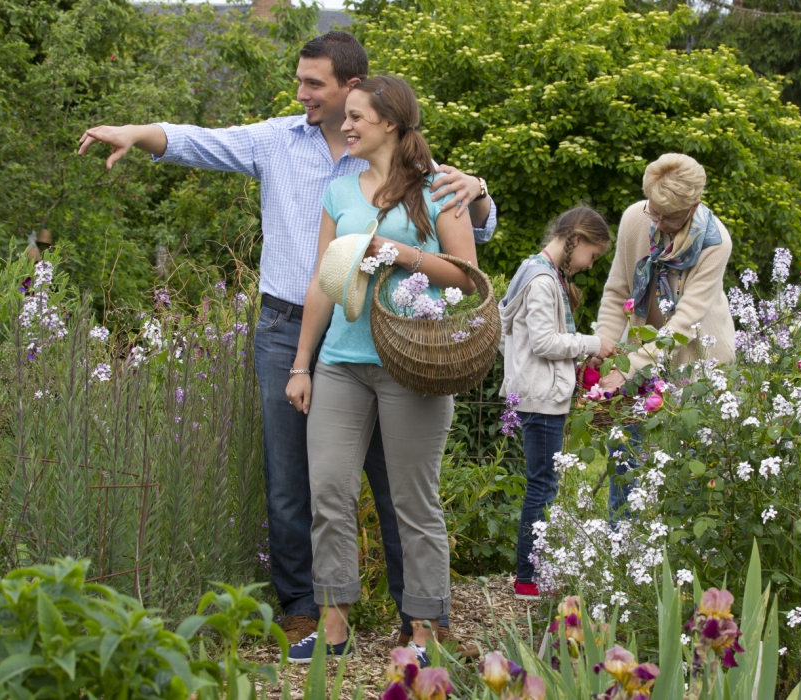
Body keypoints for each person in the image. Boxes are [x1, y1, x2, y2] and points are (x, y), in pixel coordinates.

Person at [76, 32, 497, 647]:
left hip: (400, 343)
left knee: (399, 487)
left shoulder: (417, 170)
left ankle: (421, 622)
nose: (302, 93)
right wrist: (138, 133)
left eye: (314, 83)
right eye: (300, 81)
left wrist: (479, 190)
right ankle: (309, 610)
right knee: (298, 480)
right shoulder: (284, 144)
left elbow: (471, 241)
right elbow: (202, 142)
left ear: (357, 95)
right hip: (295, 332)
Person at [285, 75, 473, 665]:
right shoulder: (339, 194)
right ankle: (334, 628)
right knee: (329, 492)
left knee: (415, 502)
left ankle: (422, 635)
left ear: (390, 123)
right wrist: (302, 364)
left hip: (412, 365)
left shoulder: (438, 190)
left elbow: (467, 275)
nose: (346, 124)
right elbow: (324, 281)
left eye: (358, 117)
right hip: (342, 363)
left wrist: (398, 254)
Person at [592, 153, 735, 516]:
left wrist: (630, 367)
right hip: (642, 351)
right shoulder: (634, 220)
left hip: (697, 359)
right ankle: (621, 544)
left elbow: (684, 323)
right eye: (653, 211)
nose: (657, 221)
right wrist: (605, 351)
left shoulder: (715, 243)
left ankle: (679, 557)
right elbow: (617, 292)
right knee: (624, 453)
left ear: (693, 206)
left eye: (668, 217)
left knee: (689, 466)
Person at [497, 207, 615, 600]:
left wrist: (580, 355)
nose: (590, 264)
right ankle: (529, 578)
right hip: (542, 397)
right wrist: (592, 344)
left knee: (542, 483)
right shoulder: (544, 280)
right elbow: (544, 342)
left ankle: (532, 573)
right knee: (543, 486)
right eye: (593, 255)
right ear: (576, 239)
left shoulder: (535, 271)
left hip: (537, 391)